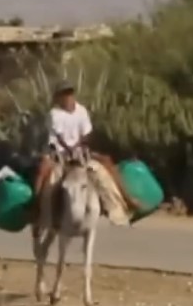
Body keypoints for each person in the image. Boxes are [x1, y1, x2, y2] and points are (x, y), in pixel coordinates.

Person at [32, 81, 143, 221]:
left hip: (79, 151)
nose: (68, 97)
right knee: (43, 169)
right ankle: (35, 206)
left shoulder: (81, 110)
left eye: (70, 93)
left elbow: (86, 133)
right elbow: (59, 138)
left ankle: (127, 199)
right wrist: (69, 150)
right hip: (58, 151)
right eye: (64, 94)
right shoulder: (54, 114)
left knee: (106, 161)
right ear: (58, 98)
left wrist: (78, 147)